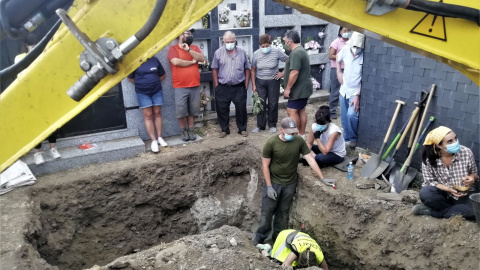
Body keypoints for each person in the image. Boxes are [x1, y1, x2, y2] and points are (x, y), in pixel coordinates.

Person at [253, 117, 333, 245]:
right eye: (290, 133)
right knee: (267, 213)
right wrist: (268, 186)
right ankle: (260, 237)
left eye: (294, 132)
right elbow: (265, 165)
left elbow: (310, 159)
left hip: (290, 184)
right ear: (282, 130)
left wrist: (322, 178)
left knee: (283, 214)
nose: (292, 135)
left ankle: (277, 240)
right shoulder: (271, 143)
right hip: (274, 183)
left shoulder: (299, 141)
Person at [412, 126, 478, 220]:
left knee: (474, 210)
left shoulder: (466, 153)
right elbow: (429, 182)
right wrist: (448, 189)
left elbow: (474, 174)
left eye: (455, 138)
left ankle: (433, 211)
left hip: (463, 195)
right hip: (442, 195)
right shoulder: (428, 159)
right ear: (439, 145)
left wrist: (472, 178)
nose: (455, 142)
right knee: (426, 193)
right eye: (450, 141)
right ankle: (454, 211)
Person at [15, 34, 61, 165]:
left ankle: (53, 149)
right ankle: (37, 153)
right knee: (36, 125)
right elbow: (23, 75)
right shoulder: (20, 58)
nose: (34, 49)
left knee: (52, 123)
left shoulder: (45, 56)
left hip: (47, 94)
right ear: (26, 46)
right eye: (32, 46)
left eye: (37, 46)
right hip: (31, 97)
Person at [211, 31, 251, 138]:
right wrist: (216, 84)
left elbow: (247, 68)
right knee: (222, 109)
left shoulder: (242, 52)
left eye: (232, 41)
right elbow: (214, 68)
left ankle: (242, 129)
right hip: (223, 86)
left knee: (241, 108)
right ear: (223, 42)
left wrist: (246, 83)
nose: (230, 43)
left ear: (235, 41)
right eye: (227, 41)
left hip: (239, 86)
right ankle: (224, 129)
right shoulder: (218, 53)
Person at [168, 29, 205, 141]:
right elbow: (176, 62)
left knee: (193, 109)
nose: (190, 35)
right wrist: (192, 62)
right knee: (181, 110)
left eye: (191, 33)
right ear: (180, 35)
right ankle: (183, 130)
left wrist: (188, 49)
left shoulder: (194, 48)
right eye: (187, 33)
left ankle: (191, 129)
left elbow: (202, 59)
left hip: (194, 84)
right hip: (180, 86)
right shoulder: (173, 49)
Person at [127, 57, 167, 152]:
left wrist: (154, 82)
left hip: (157, 91)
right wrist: (142, 84)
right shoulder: (135, 61)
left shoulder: (155, 60)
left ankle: (160, 138)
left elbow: (163, 75)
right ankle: (153, 140)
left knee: (157, 113)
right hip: (142, 92)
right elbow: (130, 78)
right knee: (148, 115)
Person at [251, 34, 288, 133]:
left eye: (267, 46)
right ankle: (260, 125)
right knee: (260, 103)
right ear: (260, 46)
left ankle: (272, 124)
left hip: (273, 81)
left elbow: (288, 60)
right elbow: (253, 69)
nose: (265, 48)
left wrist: (282, 73)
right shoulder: (256, 54)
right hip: (260, 82)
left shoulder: (276, 52)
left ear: (270, 44)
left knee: (273, 103)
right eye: (263, 47)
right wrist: (254, 85)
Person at [336, 31, 365, 149]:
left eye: (358, 46)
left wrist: (358, 95)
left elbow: (365, 77)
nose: (355, 48)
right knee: (343, 116)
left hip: (355, 91)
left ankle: (353, 139)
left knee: (351, 114)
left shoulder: (365, 54)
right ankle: (346, 139)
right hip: (344, 89)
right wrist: (338, 72)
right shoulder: (346, 49)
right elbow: (338, 58)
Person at [282, 30, 313, 139]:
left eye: (285, 41)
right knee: (301, 110)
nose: (284, 44)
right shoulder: (301, 50)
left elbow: (294, 72)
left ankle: (295, 136)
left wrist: (288, 88)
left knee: (292, 111)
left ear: (290, 42)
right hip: (303, 88)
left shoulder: (295, 53)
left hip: (298, 89)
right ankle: (301, 134)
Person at [258, 229, 329, 269]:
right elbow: (284, 267)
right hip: (285, 236)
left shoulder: (319, 256)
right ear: (298, 257)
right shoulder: (297, 249)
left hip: (300, 237)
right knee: (277, 265)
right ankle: (265, 249)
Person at [328, 27, 352, 119]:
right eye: (345, 31)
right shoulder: (336, 42)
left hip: (348, 69)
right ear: (340, 31)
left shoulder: (351, 42)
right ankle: (332, 111)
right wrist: (341, 57)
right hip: (336, 69)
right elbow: (330, 55)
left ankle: (345, 110)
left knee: (346, 90)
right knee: (335, 90)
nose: (347, 32)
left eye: (348, 30)